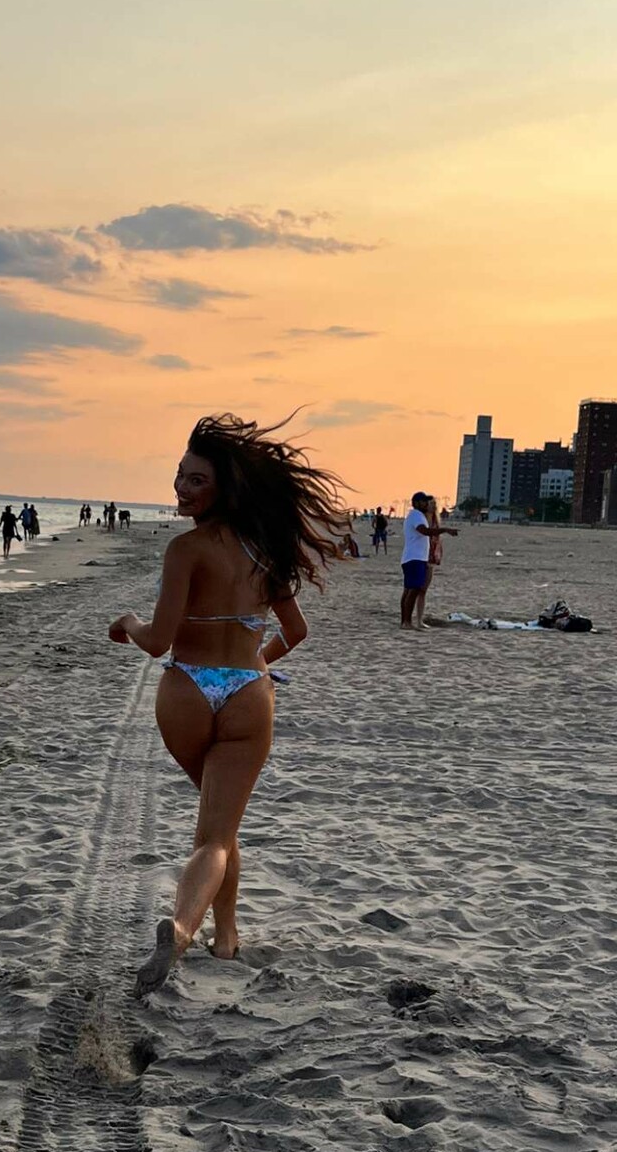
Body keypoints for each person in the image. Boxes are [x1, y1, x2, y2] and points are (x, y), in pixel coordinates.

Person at [109, 412, 349, 993]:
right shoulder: (266, 550)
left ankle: (184, 931)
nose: (182, 488)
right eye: (180, 475)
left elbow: (158, 641)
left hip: (187, 689)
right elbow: (296, 631)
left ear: (225, 489)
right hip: (248, 692)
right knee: (220, 828)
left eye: (197, 480)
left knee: (216, 829)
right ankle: (225, 935)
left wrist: (128, 622)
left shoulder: (185, 549)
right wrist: (256, 659)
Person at [400, 491, 437, 629]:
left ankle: (405, 621)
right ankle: (407, 622)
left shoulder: (416, 515)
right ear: (416, 503)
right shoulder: (416, 515)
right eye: (423, 501)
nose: (426, 504)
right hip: (415, 558)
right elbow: (424, 531)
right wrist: (444, 530)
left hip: (413, 557)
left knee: (409, 590)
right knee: (414, 590)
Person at [423, 498, 458, 600]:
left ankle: (419, 610)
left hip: (432, 553)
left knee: (424, 589)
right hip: (421, 553)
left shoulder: (436, 519)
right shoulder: (422, 519)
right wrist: (446, 530)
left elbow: (437, 538)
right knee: (416, 588)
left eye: (434, 504)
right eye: (431, 503)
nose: (433, 506)